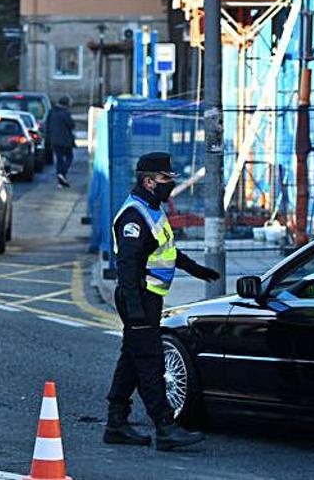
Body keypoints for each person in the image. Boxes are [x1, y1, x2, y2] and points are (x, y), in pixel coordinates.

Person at [105, 152, 220, 451]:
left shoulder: (152, 209)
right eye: (165, 179)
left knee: (132, 358)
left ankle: (116, 423)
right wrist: (135, 312)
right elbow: (127, 268)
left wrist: (196, 269)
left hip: (149, 297)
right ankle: (165, 427)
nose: (170, 184)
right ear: (148, 181)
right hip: (139, 298)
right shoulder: (134, 216)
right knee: (150, 362)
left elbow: (166, 250)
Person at [46, 95, 75, 188]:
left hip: (54, 140)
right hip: (65, 140)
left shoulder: (52, 112)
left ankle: (61, 180)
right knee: (69, 157)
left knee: (59, 159)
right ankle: (62, 173)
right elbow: (71, 125)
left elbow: (47, 125)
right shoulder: (66, 113)